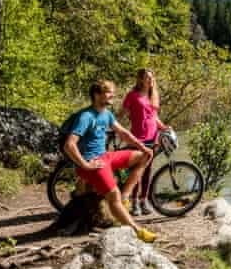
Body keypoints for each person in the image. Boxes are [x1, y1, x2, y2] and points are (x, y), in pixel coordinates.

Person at [61, 79, 158, 243]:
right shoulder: (86, 116)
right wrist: (85, 164)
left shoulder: (107, 114)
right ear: (96, 95)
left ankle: (126, 197)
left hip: (105, 156)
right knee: (114, 195)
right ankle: (138, 231)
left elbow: (123, 133)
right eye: (108, 92)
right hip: (92, 163)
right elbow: (68, 145)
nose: (112, 95)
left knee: (144, 156)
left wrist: (143, 147)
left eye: (112, 91)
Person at [120, 68, 170, 216]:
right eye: (147, 77)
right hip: (138, 138)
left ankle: (144, 201)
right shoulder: (132, 95)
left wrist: (163, 127)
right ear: (140, 79)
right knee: (137, 170)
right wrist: (111, 124)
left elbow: (154, 116)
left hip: (153, 137)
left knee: (147, 170)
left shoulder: (153, 95)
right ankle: (134, 202)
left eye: (151, 77)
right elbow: (122, 113)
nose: (150, 80)